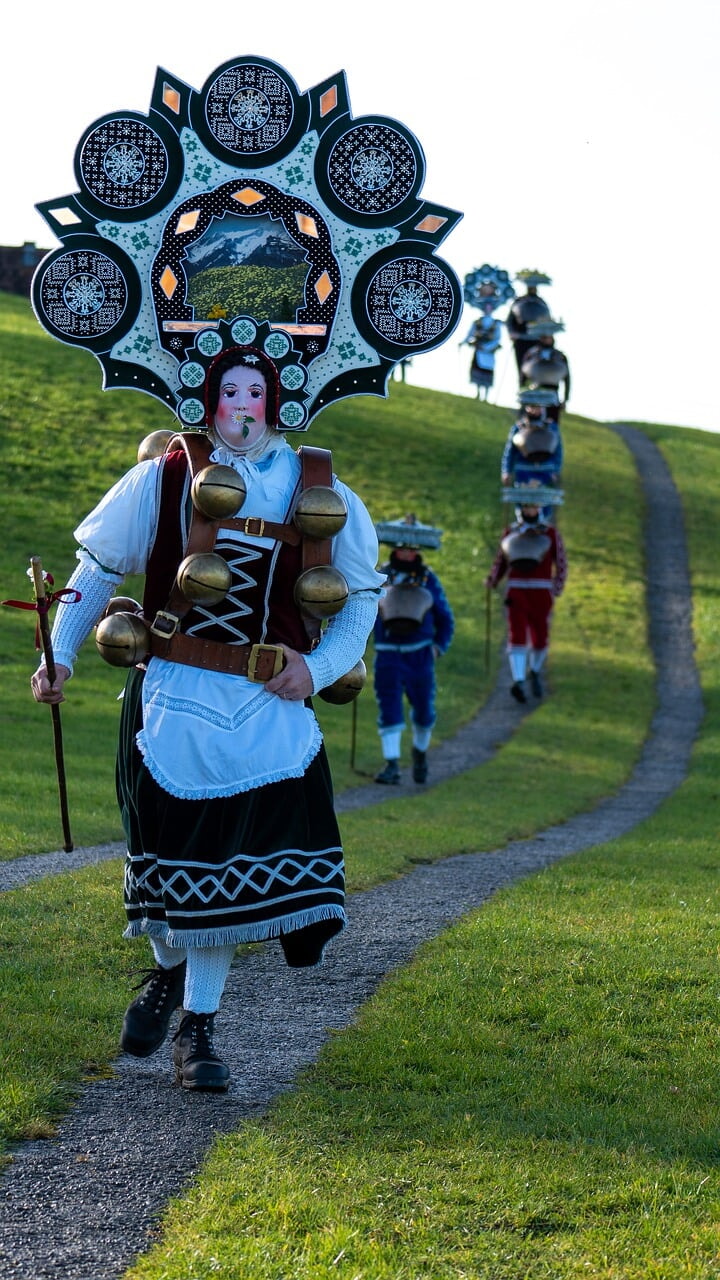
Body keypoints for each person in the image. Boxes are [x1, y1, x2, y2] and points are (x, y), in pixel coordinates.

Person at [31, 344, 384, 1092]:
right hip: (169, 697)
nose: (241, 406)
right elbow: (95, 573)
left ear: (277, 401)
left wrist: (317, 669)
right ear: (206, 398)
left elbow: (359, 601)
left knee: (228, 874)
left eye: (255, 391)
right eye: (230, 390)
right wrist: (58, 654)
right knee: (167, 869)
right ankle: (166, 970)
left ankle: (199, 1027)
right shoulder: (160, 478)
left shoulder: (321, 492)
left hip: (266, 707)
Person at [372, 516, 454, 785]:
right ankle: (392, 764)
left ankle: (420, 753)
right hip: (388, 653)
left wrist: (438, 647)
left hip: (420, 654)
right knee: (389, 706)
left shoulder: (428, 580)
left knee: (424, 709)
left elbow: (445, 618)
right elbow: (366, 610)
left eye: (411, 548)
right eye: (402, 547)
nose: (406, 552)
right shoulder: (380, 577)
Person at [484, 495, 567, 703]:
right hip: (517, 589)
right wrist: (493, 579)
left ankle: (535, 670)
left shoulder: (550, 533)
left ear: (539, 507)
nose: (530, 510)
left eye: (534, 506)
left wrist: (556, 586)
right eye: (527, 506)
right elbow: (501, 561)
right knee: (517, 632)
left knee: (540, 635)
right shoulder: (511, 532)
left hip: (541, 590)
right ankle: (518, 680)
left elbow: (561, 562)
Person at [500, 395, 563, 491]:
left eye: (539, 407)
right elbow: (510, 452)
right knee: (523, 498)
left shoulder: (552, 427)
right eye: (532, 407)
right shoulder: (518, 428)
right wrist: (506, 471)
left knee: (544, 498)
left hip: (546, 472)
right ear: (526, 408)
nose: (535, 410)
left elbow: (558, 451)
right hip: (523, 472)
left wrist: (556, 470)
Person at [520, 323, 571, 421]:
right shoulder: (531, 354)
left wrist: (565, 399)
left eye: (549, 337)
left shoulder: (560, 356)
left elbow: (567, 379)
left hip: (553, 393)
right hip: (535, 391)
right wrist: (522, 392)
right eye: (544, 337)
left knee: (551, 422)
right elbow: (523, 375)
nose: (547, 339)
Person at [505, 282, 551, 382]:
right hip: (521, 340)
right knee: (522, 367)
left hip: (537, 340)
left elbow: (547, 322)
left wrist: (546, 337)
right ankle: (523, 385)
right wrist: (512, 333)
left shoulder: (541, 303)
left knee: (536, 366)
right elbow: (509, 321)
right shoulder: (519, 302)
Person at [460, 302, 502, 400]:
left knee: (487, 371)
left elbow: (497, 339)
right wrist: (463, 342)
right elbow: (470, 334)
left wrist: (487, 347)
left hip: (489, 352)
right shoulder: (477, 322)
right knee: (477, 370)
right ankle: (478, 393)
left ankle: (486, 396)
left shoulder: (496, 324)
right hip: (479, 350)